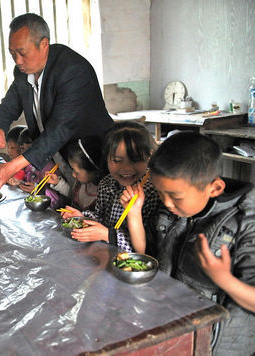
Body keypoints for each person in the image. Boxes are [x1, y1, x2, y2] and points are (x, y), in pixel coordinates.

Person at [123, 132, 255, 355]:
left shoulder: (245, 222)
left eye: (175, 196)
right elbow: (147, 256)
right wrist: (134, 214)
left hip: (215, 347)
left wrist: (224, 279)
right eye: (160, 193)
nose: (166, 203)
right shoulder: (174, 209)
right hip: (175, 331)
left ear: (214, 188)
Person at [0, 13, 113, 194]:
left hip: (90, 157)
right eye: (12, 54)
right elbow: (9, 105)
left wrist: (13, 166)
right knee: (69, 200)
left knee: (98, 202)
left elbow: (59, 130)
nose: (18, 61)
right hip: (60, 155)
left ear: (44, 45)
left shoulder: (73, 71)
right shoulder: (23, 71)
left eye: (22, 53)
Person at [60, 121, 159, 253]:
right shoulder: (106, 183)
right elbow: (101, 219)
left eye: (135, 160)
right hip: (103, 255)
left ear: (148, 156)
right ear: (106, 157)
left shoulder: (153, 192)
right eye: (117, 161)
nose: (126, 168)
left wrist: (108, 235)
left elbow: (145, 249)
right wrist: (84, 218)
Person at [46, 136, 104, 211]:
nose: (73, 174)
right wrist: (58, 183)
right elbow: (73, 195)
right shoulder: (80, 184)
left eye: (76, 171)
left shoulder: (102, 196)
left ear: (94, 171)